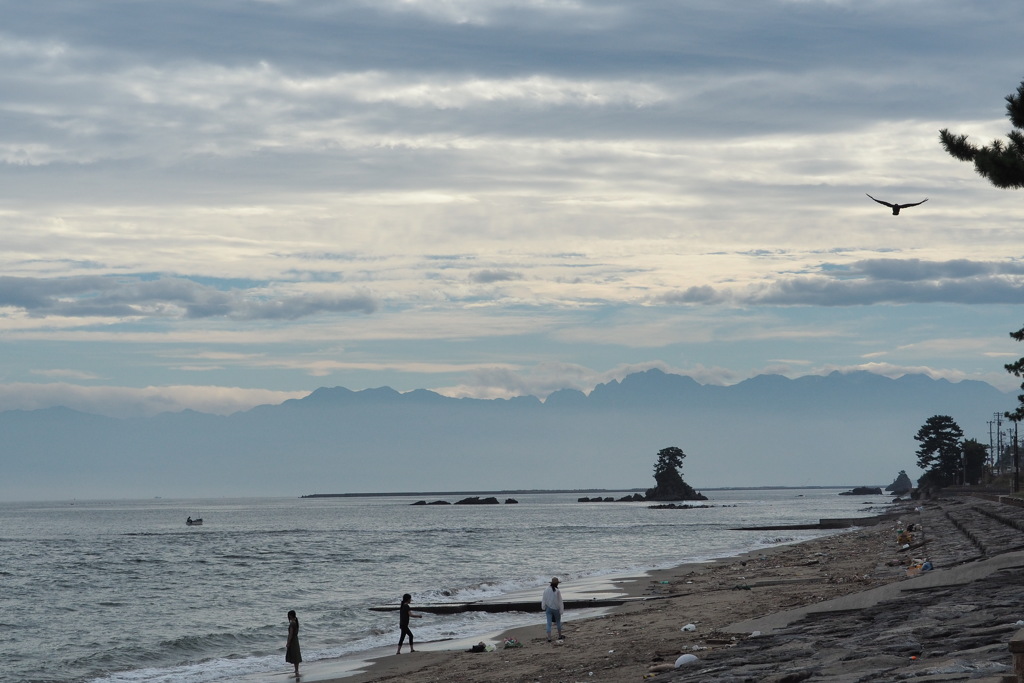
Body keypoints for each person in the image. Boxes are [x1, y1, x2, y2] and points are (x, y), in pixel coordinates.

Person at [541, 577, 564, 641]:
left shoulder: (546, 590)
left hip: (548, 608)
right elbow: (560, 601)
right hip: (556, 609)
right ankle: (559, 636)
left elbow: (543, 599)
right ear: (557, 584)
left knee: (549, 623)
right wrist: (561, 610)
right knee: (558, 622)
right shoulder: (557, 591)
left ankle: (549, 637)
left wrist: (543, 607)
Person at [285, 610, 302, 677]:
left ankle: (296, 669)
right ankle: (296, 669)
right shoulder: (296, 622)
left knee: (294, 654)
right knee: (296, 655)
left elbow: (291, 634)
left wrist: (288, 642)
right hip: (296, 640)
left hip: (293, 641)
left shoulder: (292, 623)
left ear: (290, 616)